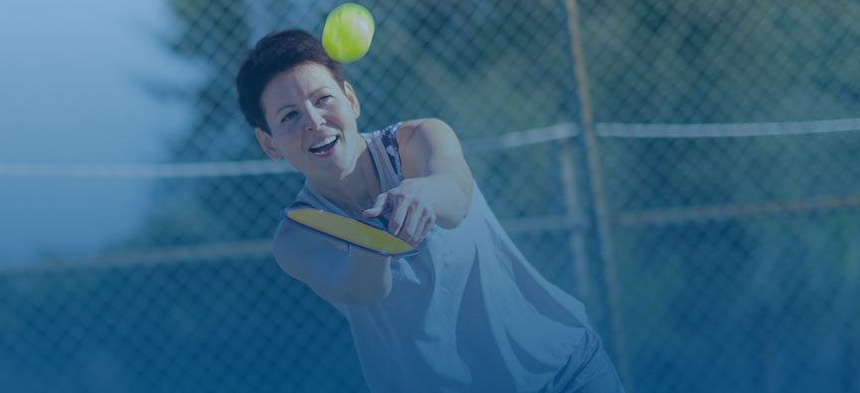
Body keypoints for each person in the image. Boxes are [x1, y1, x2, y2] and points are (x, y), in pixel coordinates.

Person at [237, 29, 622, 392]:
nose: (313, 121)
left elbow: (455, 198)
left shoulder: (419, 138)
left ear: (350, 100)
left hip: (568, 373)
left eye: (323, 99)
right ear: (269, 144)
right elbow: (362, 290)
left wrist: (421, 193)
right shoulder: (297, 235)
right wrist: (375, 237)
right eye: (289, 116)